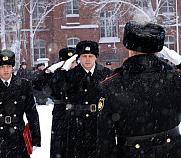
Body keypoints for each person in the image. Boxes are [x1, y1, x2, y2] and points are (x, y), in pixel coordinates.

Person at [98, 21, 181, 157]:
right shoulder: (175, 79)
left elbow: (105, 141)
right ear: (157, 50)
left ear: (130, 48)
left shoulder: (110, 86)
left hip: (131, 152)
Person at [53, 40, 113, 157]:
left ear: (96, 57)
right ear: (79, 57)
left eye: (91, 56)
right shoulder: (70, 75)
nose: (87, 59)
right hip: (76, 125)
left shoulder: (106, 74)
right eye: (84, 56)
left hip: (99, 124)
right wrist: (63, 68)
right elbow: (55, 89)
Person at [32, 47, 78, 157]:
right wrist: (48, 71)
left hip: (76, 114)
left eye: (73, 62)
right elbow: (37, 84)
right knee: (59, 148)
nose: (72, 65)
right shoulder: (55, 75)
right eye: (69, 62)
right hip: (60, 114)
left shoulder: (79, 74)